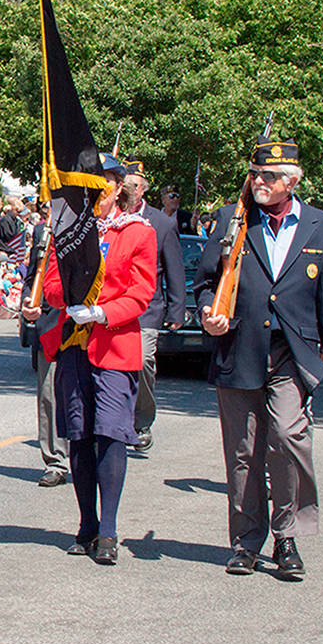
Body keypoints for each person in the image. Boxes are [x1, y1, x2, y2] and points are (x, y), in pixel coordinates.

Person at [196, 139, 323, 579]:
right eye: (255, 175)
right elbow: (206, 281)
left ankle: (286, 537)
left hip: (290, 353)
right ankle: (246, 542)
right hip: (240, 349)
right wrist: (210, 311)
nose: (258, 183)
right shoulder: (233, 219)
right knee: (243, 451)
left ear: (292, 181)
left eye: (268, 177)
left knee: (286, 439)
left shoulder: (322, 227)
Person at [41, 153, 156, 565]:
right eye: (91, 183)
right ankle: (86, 522)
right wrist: (70, 298)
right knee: (79, 433)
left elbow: (142, 292)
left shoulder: (137, 232)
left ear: (118, 188)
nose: (99, 191)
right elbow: (51, 284)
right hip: (74, 341)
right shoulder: (68, 232)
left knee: (109, 433)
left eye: (106, 183)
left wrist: (103, 311)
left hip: (114, 343)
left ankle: (108, 529)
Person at [123, 160, 186, 453]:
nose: (128, 190)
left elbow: (174, 268)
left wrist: (176, 309)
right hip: (114, 306)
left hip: (148, 308)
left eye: (133, 185)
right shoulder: (113, 216)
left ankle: (142, 421)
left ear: (144, 189)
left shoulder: (161, 222)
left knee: (144, 361)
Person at [20, 204, 68, 488]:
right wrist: (28, 300)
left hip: (89, 321)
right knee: (49, 395)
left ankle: (92, 455)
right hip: (50, 321)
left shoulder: (94, 225)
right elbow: (33, 274)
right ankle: (55, 460)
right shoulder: (42, 231)